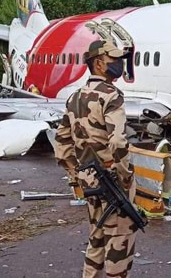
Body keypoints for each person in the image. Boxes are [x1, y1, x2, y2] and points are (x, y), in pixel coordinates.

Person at [54, 40, 137, 278]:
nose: (119, 65)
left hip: (89, 179)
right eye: (114, 60)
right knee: (119, 240)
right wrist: (125, 176)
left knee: (97, 235)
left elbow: (61, 143)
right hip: (112, 177)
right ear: (99, 64)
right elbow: (118, 142)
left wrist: (76, 175)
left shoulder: (74, 98)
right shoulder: (111, 96)